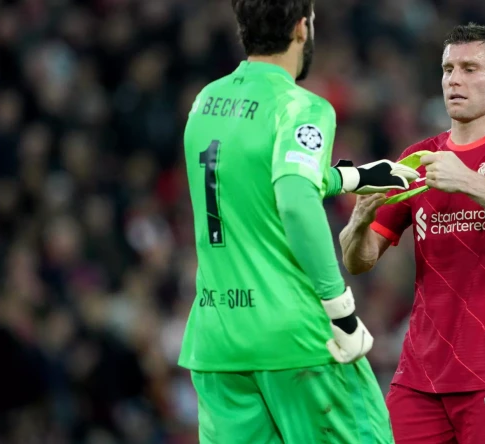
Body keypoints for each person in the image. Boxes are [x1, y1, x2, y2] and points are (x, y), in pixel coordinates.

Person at [177, 1, 418, 443]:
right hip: (297, 340)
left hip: (217, 342)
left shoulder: (205, 101)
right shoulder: (300, 106)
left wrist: (353, 176)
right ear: (302, 27)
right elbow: (292, 197)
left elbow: (253, 180)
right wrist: (341, 312)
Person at [339, 23, 485, 443]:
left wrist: (469, 182)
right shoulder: (419, 157)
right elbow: (360, 260)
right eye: (447, 69)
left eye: (469, 68)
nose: (454, 80)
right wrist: (358, 221)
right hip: (419, 374)